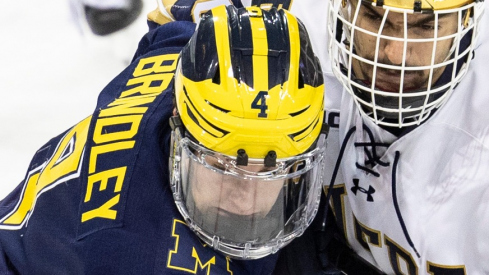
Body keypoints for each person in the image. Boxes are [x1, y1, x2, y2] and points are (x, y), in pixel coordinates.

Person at [155, 0, 489, 273]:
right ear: (343, 5)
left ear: (466, 20)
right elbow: (172, 25)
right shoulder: (282, 25)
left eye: (426, 26)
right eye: (373, 16)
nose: (394, 54)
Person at [0, 5, 328, 274]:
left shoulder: (181, 67)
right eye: (223, 165)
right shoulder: (142, 254)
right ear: (179, 129)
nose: (245, 199)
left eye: (272, 169)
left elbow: (176, 24)